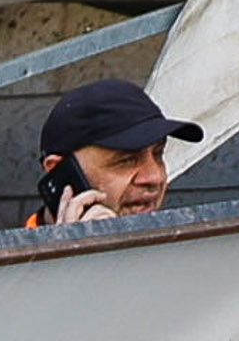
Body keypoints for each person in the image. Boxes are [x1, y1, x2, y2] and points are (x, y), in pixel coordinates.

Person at [26, 77, 195, 231]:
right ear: (58, 170)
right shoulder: (13, 259)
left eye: (158, 154)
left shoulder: (188, 253)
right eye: (126, 160)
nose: (155, 177)